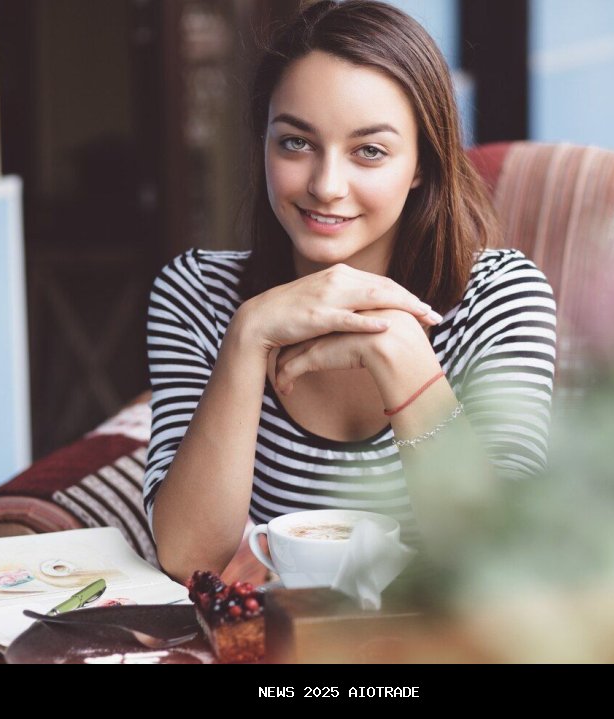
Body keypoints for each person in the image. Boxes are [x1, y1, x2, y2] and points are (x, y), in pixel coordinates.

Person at [143, 0, 556, 582]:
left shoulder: (501, 298)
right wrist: (248, 336)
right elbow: (189, 559)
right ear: (262, 142)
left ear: (420, 164)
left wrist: (402, 358)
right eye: (295, 143)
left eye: (369, 151)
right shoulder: (197, 293)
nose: (326, 185)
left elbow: (503, 564)